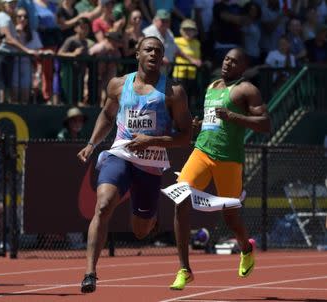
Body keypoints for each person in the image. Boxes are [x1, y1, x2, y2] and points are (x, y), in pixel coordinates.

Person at [77, 36, 192, 293]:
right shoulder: (118, 85)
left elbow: (185, 136)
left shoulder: (174, 92)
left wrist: (153, 140)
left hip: (150, 164)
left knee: (141, 232)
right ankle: (89, 273)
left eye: (158, 51)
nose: (153, 54)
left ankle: (150, 218)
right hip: (120, 154)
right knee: (103, 206)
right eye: (148, 49)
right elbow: (107, 115)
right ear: (137, 53)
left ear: (163, 58)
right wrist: (92, 144)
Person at [169, 48, 271, 290]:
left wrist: (233, 117)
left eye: (234, 62)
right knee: (180, 196)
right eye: (226, 59)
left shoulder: (247, 90)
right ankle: (184, 269)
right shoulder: (213, 85)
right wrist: (200, 124)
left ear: (243, 67)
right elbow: (214, 119)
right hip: (202, 151)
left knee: (230, 217)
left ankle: (246, 247)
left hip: (229, 159)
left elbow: (266, 124)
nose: (227, 64)